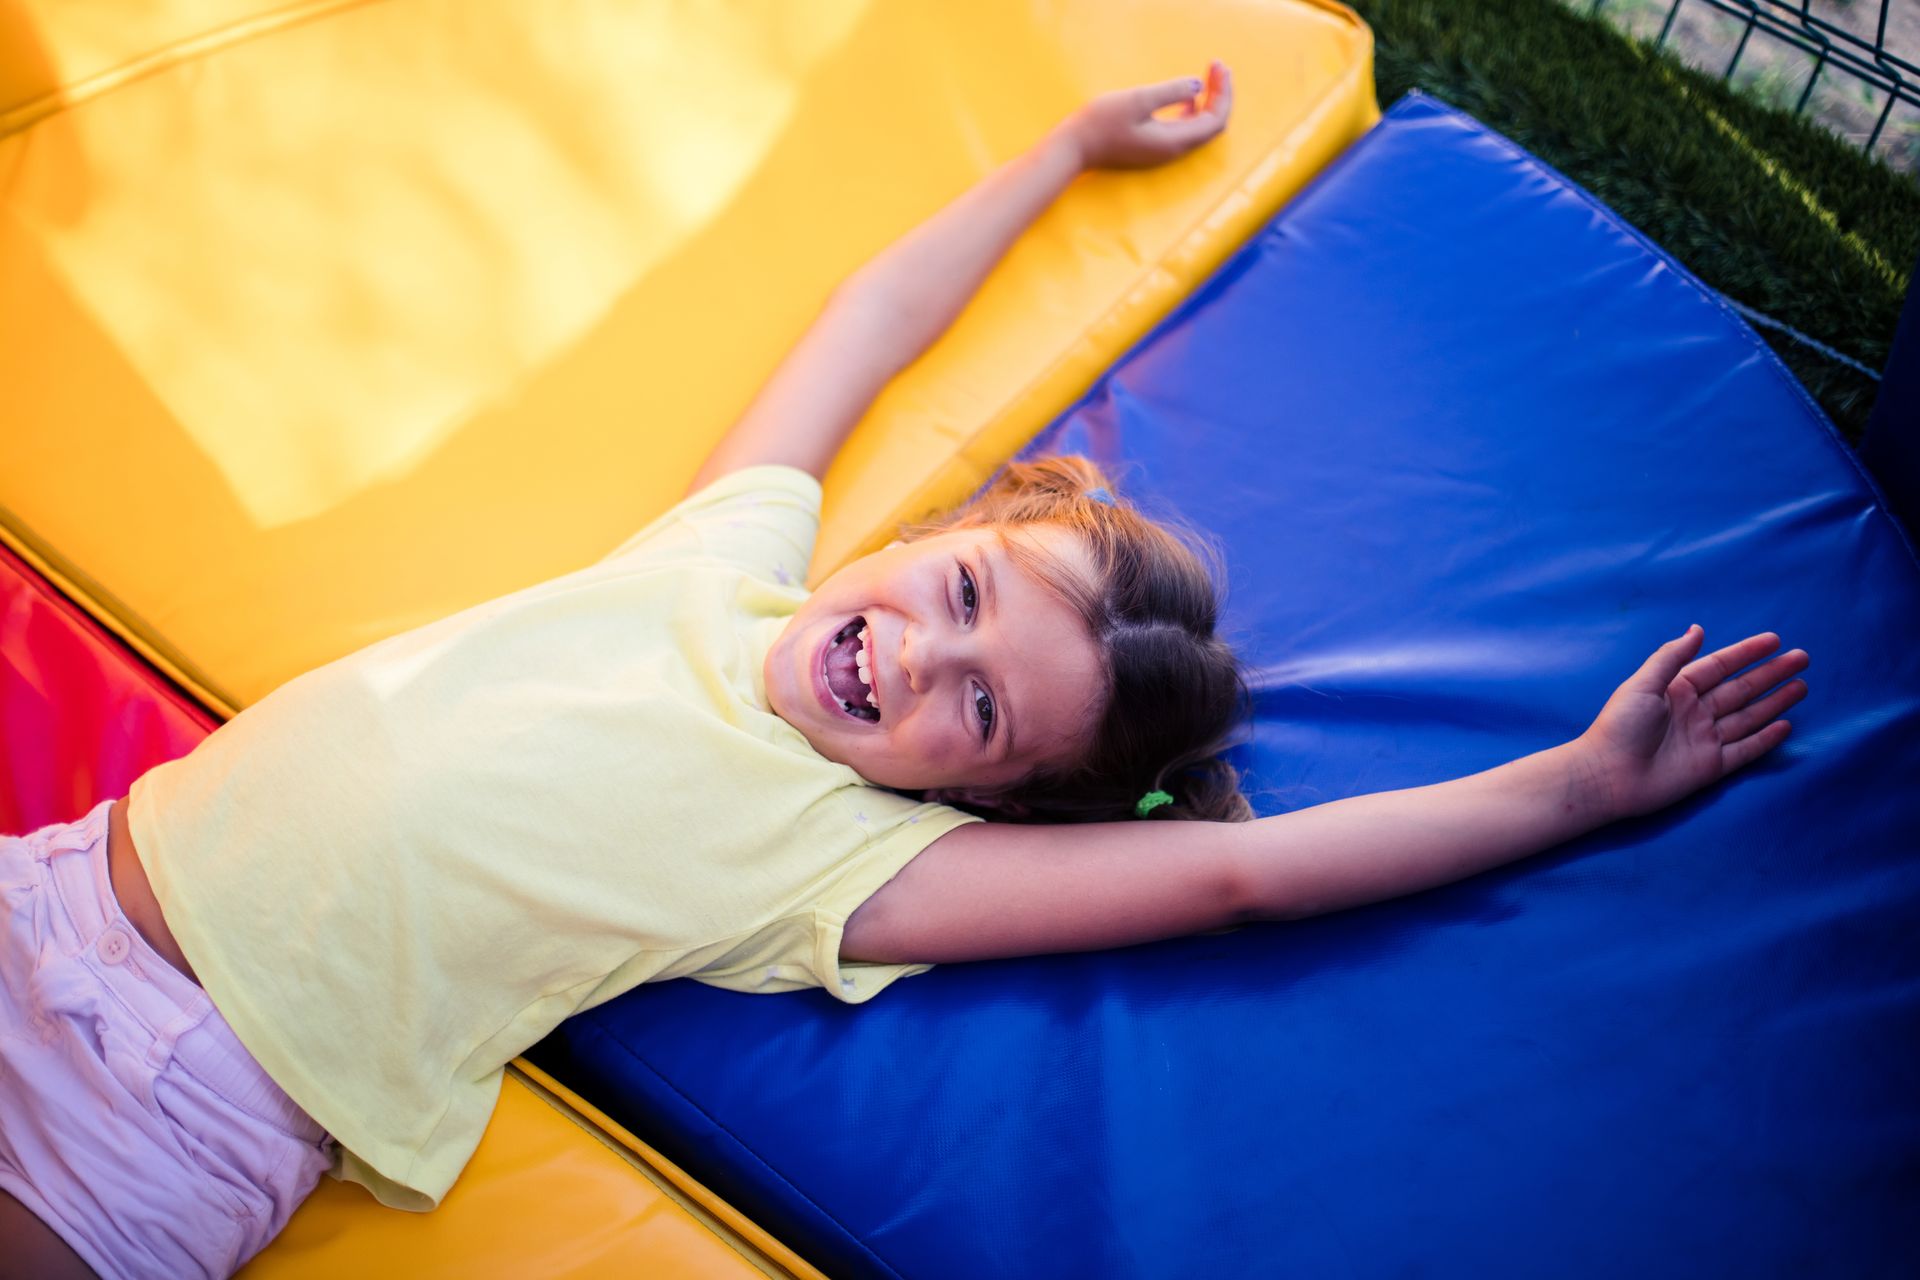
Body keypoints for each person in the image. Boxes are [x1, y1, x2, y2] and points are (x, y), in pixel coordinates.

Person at [0, 62, 1809, 1279]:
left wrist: (1574, 787)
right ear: (931, 538)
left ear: (984, 795)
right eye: (953, 592)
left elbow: (1242, 874)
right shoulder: (721, 567)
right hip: (66, 885)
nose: (915, 656)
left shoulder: (838, 859)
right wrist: (1062, 161)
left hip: (189, 1104)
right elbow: (863, 325)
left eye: (981, 708)